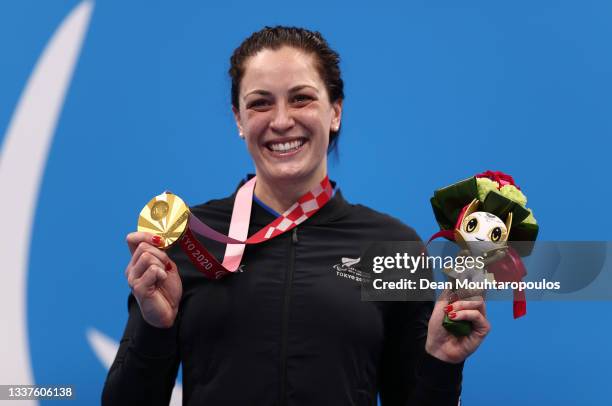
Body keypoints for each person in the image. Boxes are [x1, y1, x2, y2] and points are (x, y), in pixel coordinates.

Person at [102, 26, 490, 406]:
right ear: (238, 119)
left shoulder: (391, 248)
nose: (282, 120)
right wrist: (154, 330)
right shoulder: (189, 239)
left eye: (301, 98)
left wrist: (441, 361)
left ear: (335, 111)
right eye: (260, 102)